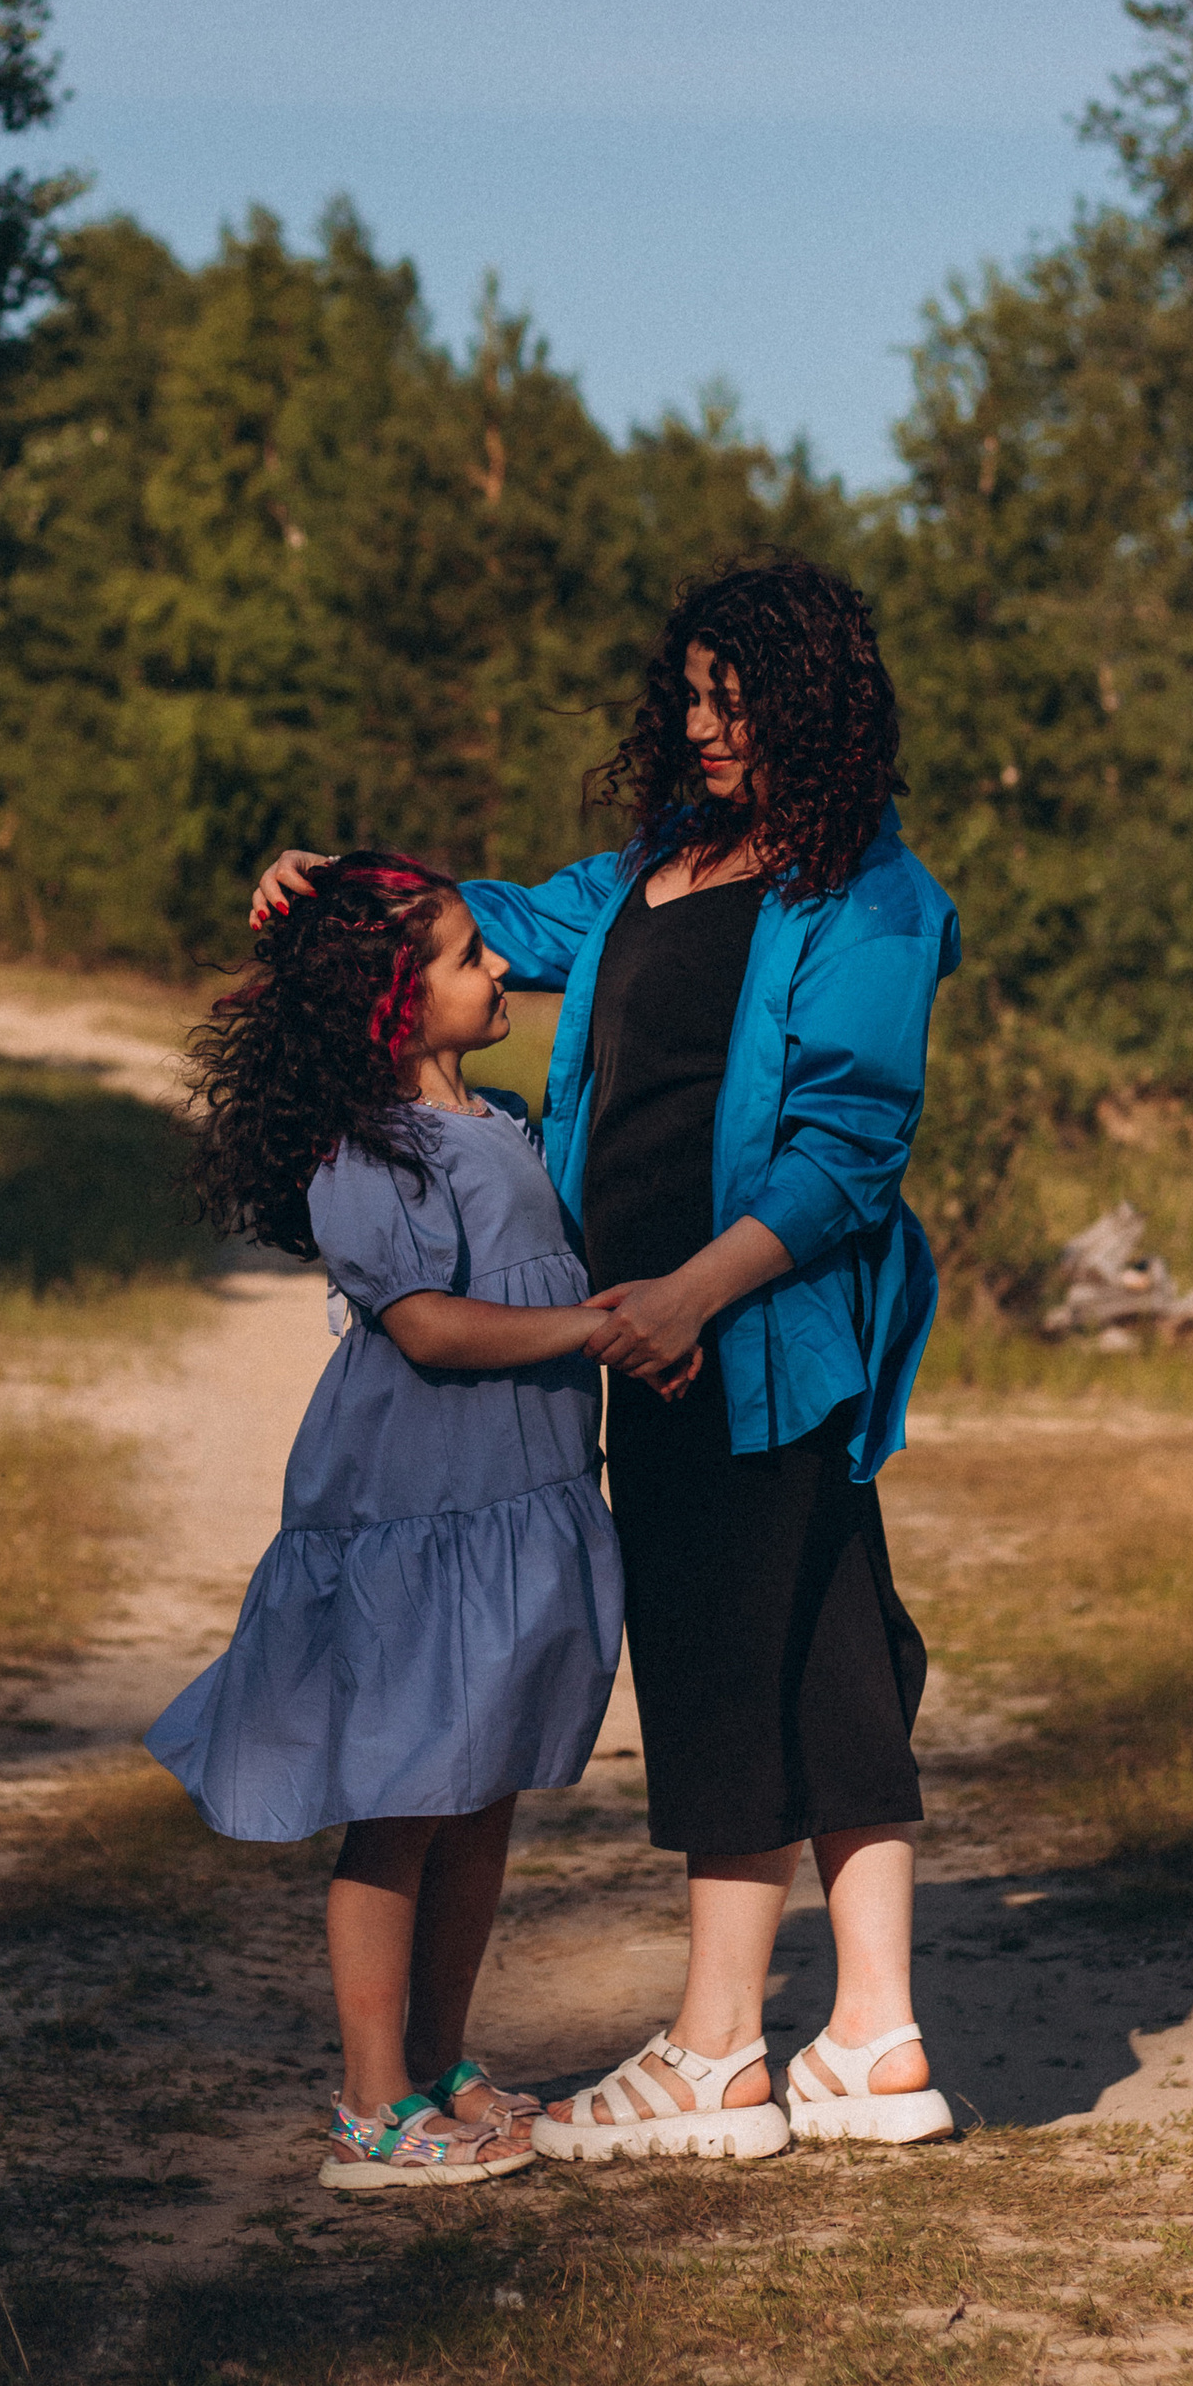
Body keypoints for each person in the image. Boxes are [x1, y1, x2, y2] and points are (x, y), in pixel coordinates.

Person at [250, 556, 960, 2163]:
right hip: (653, 1338)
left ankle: (716, 2053)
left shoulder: (874, 899)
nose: (707, 725)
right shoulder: (655, 868)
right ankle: (873, 2037)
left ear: (815, 701)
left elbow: (849, 1152)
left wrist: (687, 1300)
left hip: (740, 1338)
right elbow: (466, 925)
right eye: (694, 695)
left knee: (737, 1657)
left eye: (737, 699)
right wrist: (336, 878)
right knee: (834, 1652)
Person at [145, 855, 631, 2188]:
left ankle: (438, 2059)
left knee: (481, 1796)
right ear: (387, 1000)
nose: (496, 972)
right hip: (420, 1511)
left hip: (517, 1500)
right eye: (469, 956)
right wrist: (591, 1328)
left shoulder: (504, 1125)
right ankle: (372, 2101)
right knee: (405, 1801)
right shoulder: (373, 1152)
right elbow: (425, 1326)